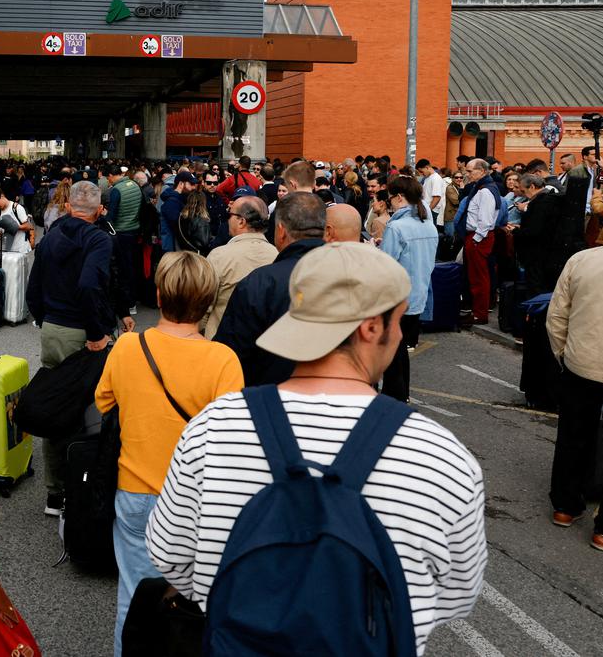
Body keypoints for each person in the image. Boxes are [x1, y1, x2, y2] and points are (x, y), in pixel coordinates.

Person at [146, 243, 487, 654]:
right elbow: (456, 595)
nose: (399, 335)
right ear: (371, 327)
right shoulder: (440, 456)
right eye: (397, 320)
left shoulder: (214, 427)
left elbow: (170, 555)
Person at [94, 252, 243, 656]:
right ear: (208, 301)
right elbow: (229, 434)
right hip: (197, 497)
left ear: (159, 296)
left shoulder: (128, 347)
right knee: (197, 601)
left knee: (133, 595)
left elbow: (104, 400)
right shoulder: (223, 360)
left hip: (135, 486)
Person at [25, 180, 115, 515]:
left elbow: (33, 290)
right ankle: (80, 489)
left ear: (67, 206)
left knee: (55, 406)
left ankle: (55, 492)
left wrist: (45, 319)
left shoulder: (51, 237)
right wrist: (96, 332)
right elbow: (90, 284)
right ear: (99, 210)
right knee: (88, 410)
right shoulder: (98, 240)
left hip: (53, 328)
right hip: (82, 332)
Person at [213, 192, 326, 386]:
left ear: (281, 231)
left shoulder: (260, 282)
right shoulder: (349, 275)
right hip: (339, 394)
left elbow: (231, 351)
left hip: (268, 393)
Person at [546, 242, 603, 551]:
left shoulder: (582, 260)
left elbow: (557, 315)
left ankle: (565, 506)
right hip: (585, 361)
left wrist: (564, 354)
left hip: (581, 363)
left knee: (573, 436)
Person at [377, 175, 439, 402]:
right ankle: (402, 394)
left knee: (391, 350)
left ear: (399, 197)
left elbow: (385, 265)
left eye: (390, 199)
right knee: (400, 346)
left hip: (396, 296)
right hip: (418, 294)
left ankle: (395, 395)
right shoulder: (428, 225)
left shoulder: (397, 227)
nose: (389, 204)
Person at [202, 196, 277, 338]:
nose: (227, 220)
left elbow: (203, 305)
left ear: (241, 221)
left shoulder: (219, 256)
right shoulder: (277, 255)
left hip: (222, 341)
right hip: (263, 343)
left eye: (229, 214)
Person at [456, 158, 501, 326]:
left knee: (478, 278)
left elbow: (485, 220)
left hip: (478, 237)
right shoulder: (482, 188)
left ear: (482, 171)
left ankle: (479, 314)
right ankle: (476, 312)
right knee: (475, 276)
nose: (466, 174)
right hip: (476, 237)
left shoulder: (485, 191)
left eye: (470, 171)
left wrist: (475, 240)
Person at [0, 186, 34, 253]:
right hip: (7, 250)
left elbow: (28, 226)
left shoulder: (16, 208)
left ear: (2, 196)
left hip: (21, 249)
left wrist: (14, 227)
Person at [416, 159, 447, 231]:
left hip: (432, 210)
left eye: (422, 171)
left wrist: (428, 210)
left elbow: (437, 197)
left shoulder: (436, 178)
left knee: (430, 232)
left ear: (427, 167)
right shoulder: (428, 178)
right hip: (428, 209)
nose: (421, 174)